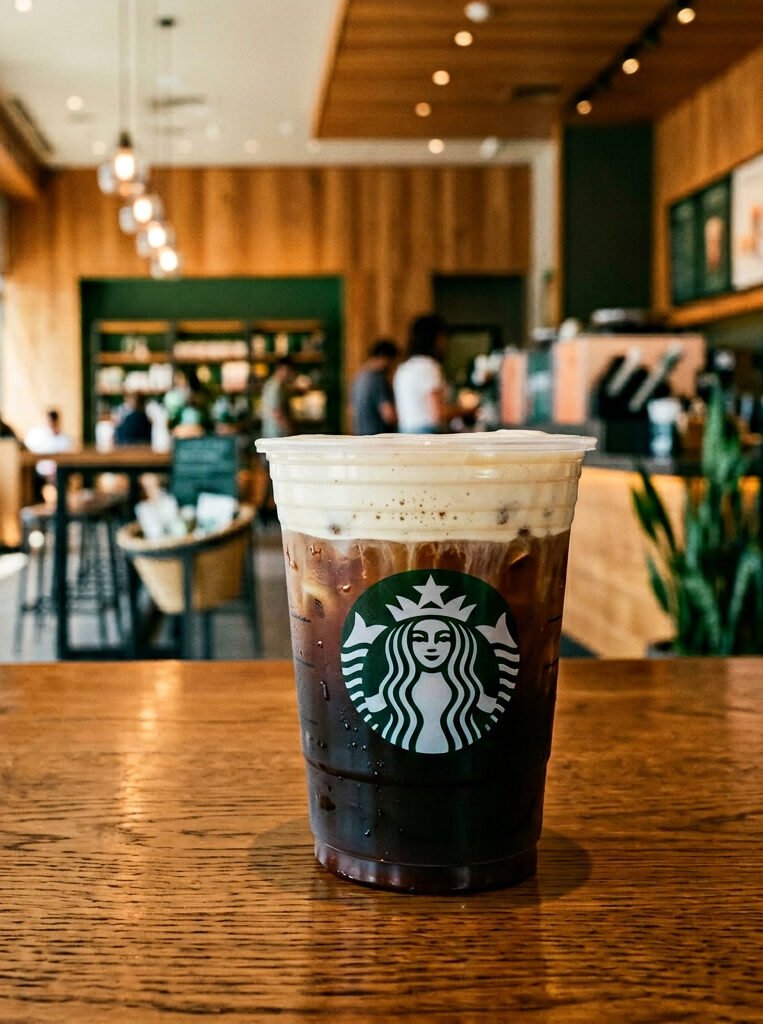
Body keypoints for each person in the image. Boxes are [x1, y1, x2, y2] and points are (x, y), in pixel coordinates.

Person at [393, 314, 450, 433]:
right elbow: (437, 414)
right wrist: (470, 410)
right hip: (427, 433)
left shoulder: (403, 368)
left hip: (405, 431)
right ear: (435, 338)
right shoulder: (428, 366)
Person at [351, 338, 399, 435]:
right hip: (378, 436)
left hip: (361, 434)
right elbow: (388, 414)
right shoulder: (378, 379)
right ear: (385, 358)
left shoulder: (358, 377)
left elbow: (352, 410)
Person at [24, 409, 74, 496]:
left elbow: (69, 458)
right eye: (49, 421)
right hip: (41, 472)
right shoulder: (38, 435)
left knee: (62, 479)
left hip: (58, 471)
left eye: (53, 421)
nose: (51, 424)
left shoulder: (65, 439)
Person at [259, 357, 296, 438]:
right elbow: (277, 412)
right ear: (281, 369)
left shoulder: (275, 385)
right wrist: (289, 429)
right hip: (275, 433)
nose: (290, 374)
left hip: (274, 432)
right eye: (289, 371)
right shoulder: (275, 387)